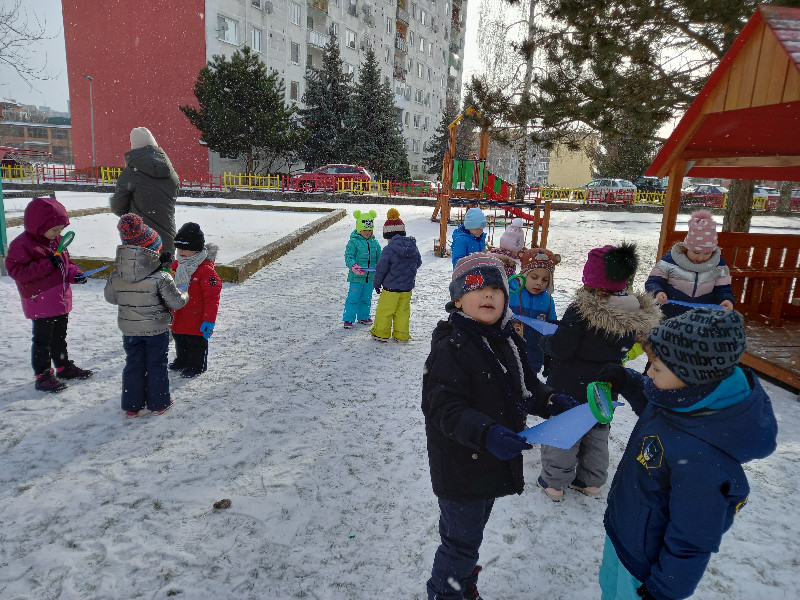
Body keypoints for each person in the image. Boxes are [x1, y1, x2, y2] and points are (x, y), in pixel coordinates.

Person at [422, 253, 579, 600]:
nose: (489, 295)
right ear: (458, 300)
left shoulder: (508, 338)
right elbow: (443, 409)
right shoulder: (452, 348)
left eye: (496, 289)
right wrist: (487, 432)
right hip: (461, 467)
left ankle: (463, 586)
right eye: (477, 289)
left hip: (492, 462)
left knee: (471, 536)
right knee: (459, 543)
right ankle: (446, 593)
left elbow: (526, 386)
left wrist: (550, 401)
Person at [595, 307, 777, 600]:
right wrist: (627, 381)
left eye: (656, 368)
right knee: (609, 588)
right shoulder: (679, 397)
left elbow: (693, 538)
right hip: (623, 530)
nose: (648, 372)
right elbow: (654, 403)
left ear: (691, 375)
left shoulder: (703, 459)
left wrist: (664, 590)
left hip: (643, 564)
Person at [537, 243, 662, 501]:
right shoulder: (632, 313)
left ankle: (554, 482)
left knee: (565, 431)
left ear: (591, 280)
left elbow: (562, 347)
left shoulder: (581, 311)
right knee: (597, 432)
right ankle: (591, 481)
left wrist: (545, 342)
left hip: (570, 384)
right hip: (605, 386)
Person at [5, 196, 94, 393]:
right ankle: (43, 375)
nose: (58, 233)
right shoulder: (23, 245)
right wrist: (47, 264)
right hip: (40, 300)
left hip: (59, 299)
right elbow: (17, 272)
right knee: (42, 341)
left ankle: (63, 366)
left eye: (61, 229)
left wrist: (76, 275)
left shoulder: (57, 241)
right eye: (54, 229)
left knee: (59, 337)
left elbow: (67, 264)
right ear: (39, 225)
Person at [104, 214, 188, 417]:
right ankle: (159, 403)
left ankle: (132, 406)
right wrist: (185, 292)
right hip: (156, 331)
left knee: (134, 365)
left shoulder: (117, 274)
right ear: (151, 251)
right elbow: (176, 302)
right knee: (156, 365)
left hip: (130, 330)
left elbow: (111, 298)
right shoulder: (161, 277)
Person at [645, 210, 735, 319]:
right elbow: (653, 281)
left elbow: (723, 289)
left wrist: (726, 299)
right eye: (696, 252)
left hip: (702, 317)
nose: (700, 258)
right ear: (687, 248)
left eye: (707, 253)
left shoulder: (719, 267)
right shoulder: (670, 261)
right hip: (670, 315)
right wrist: (657, 292)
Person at [109, 126, 179, 255]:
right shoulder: (171, 172)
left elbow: (118, 208)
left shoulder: (130, 173)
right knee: (166, 267)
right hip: (168, 237)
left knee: (142, 267)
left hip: (141, 238)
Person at [169, 222, 222, 378]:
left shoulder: (206, 271)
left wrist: (209, 320)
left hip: (197, 318)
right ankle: (182, 360)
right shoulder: (177, 264)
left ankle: (196, 366)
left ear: (196, 249)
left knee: (196, 343)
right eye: (178, 248)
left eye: (185, 248)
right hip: (179, 314)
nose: (180, 252)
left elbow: (212, 298)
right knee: (180, 340)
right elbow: (167, 279)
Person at [370, 208, 422, 343]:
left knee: (385, 311)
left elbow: (381, 269)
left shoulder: (389, 250)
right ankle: (401, 335)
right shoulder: (413, 247)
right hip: (407, 289)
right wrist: (407, 272)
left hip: (390, 289)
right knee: (402, 313)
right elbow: (418, 262)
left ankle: (381, 333)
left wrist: (377, 283)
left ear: (388, 236)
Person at [510, 247, 560, 374]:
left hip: (533, 358)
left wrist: (549, 357)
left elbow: (551, 329)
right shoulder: (511, 292)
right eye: (534, 277)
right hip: (509, 355)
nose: (539, 283)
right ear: (524, 274)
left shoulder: (548, 301)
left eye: (545, 280)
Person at [343, 210, 382, 329]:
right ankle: (348, 318)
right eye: (364, 230)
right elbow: (349, 256)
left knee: (366, 298)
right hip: (356, 277)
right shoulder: (353, 242)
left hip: (370, 277)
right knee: (353, 298)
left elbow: (380, 257)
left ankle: (363, 316)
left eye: (369, 230)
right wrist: (353, 266)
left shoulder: (375, 243)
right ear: (359, 229)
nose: (367, 232)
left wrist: (381, 266)